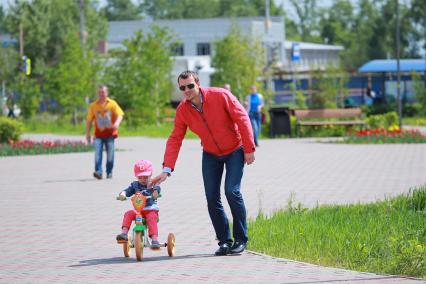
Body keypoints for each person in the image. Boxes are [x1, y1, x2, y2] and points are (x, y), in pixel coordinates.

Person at [151, 70, 256, 256]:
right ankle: (224, 241)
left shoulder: (221, 95)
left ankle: (241, 240)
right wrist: (166, 169)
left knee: (232, 191)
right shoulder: (183, 110)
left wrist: (249, 148)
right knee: (211, 197)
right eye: (182, 87)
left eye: (190, 85)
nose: (187, 90)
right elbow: (175, 138)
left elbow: (242, 118)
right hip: (210, 154)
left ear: (198, 83)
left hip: (235, 150)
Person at [116, 160, 162, 248]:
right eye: (140, 177)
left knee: (151, 218)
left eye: (145, 177)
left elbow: (157, 187)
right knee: (128, 213)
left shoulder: (153, 184)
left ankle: (154, 239)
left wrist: (156, 191)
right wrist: (123, 194)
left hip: (150, 209)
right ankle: (124, 234)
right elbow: (128, 190)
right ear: (136, 176)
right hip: (138, 211)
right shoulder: (135, 185)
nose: (143, 180)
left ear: (150, 174)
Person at [86, 85, 124, 179]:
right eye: (100, 92)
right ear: (97, 94)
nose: (101, 94)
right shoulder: (93, 106)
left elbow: (120, 114)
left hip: (110, 134)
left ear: (107, 93)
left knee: (110, 155)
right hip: (98, 135)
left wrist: (117, 124)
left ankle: (109, 171)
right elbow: (89, 120)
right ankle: (98, 172)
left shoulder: (112, 104)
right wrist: (88, 134)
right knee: (97, 154)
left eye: (103, 92)